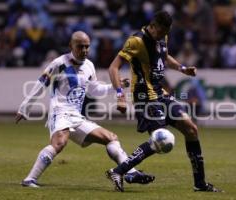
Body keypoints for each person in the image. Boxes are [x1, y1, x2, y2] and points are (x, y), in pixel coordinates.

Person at [15, 31, 155, 188]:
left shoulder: (89, 66)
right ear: (71, 46)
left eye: (87, 47)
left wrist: (116, 86)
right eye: (80, 47)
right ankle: (29, 179)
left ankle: (130, 172)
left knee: (111, 138)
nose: (85, 50)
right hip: (59, 113)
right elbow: (41, 84)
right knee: (59, 143)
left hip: (76, 116)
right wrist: (25, 108)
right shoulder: (58, 64)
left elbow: (93, 91)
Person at [106, 11, 222, 192]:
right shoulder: (135, 41)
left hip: (161, 94)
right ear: (152, 26)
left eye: (164, 33)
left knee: (191, 129)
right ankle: (118, 171)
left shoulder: (163, 37)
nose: (161, 36)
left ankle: (200, 184)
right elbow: (113, 67)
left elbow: (164, 56)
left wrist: (182, 69)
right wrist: (120, 95)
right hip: (145, 97)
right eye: (159, 32)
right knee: (161, 139)